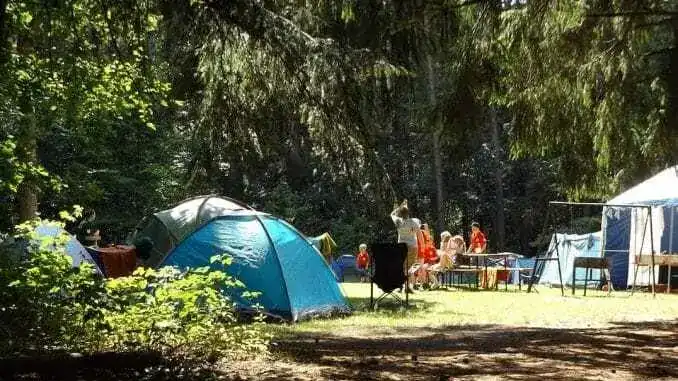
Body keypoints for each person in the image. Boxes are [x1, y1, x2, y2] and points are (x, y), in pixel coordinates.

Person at [391, 199, 421, 293]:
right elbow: (419, 235)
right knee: (410, 267)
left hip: (401, 247)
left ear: (400, 213)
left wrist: (400, 207)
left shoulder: (398, 222)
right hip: (412, 247)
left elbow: (392, 214)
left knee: (402, 267)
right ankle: (407, 287)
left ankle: (401, 286)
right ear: (408, 213)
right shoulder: (413, 222)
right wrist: (421, 247)